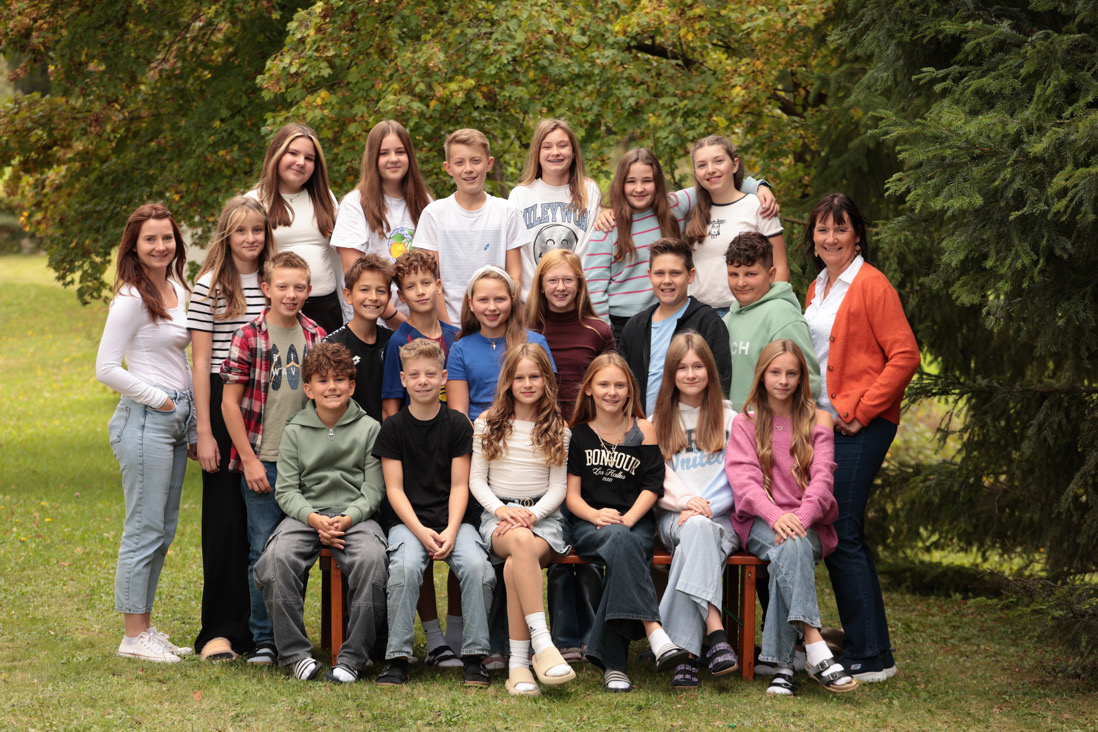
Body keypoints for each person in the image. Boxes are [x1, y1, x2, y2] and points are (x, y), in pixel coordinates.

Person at [801, 193, 920, 683]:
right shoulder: (817, 286)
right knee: (840, 532)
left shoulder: (871, 284)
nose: (831, 238)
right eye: (823, 229)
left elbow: (905, 355)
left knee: (843, 529)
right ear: (813, 237)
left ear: (857, 236)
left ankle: (871, 657)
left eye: (841, 229)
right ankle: (867, 645)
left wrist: (860, 411)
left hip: (861, 425)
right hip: (826, 427)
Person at [726, 340, 857, 696]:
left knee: (791, 547)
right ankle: (814, 644)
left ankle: (783, 667)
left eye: (791, 373)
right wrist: (774, 515)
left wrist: (800, 518)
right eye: (775, 372)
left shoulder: (818, 419)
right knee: (790, 545)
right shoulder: (745, 422)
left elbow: (823, 479)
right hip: (759, 522)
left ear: (801, 378)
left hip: (809, 522)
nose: (783, 381)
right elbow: (745, 483)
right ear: (762, 375)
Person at [95, 202, 196, 662]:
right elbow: (106, 368)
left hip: (175, 418)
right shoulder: (131, 297)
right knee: (144, 527)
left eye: (167, 237)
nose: (160, 246)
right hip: (145, 420)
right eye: (150, 239)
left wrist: (189, 418)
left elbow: (182, 357)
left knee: (163, 529)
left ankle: (145, 628)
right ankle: (133, 636)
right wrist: (161, 400)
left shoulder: (177, 288)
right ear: (134, 246)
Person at [253, 342, 388, 682]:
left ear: (352, 386)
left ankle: (353, 658)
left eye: (340, 380)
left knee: (373, 559)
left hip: (356, 518)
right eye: (323, 380)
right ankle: (295, 654)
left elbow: (374, 490)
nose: (332, 387)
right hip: (306, 517)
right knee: (275, 559)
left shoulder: (370, 428)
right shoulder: (295, 429)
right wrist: (314, 519)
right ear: (309, 388)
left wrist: (348, 518)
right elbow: (287, 490)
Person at [220, 251, 326, 666]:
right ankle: (265, 639)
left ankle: (290, 636)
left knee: (296, 552)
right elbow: (230, 404)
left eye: (299, 287)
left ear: (309, 290)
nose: (291, 294)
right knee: (262, 551)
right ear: (266, 289)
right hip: (263, 461)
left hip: (305, 466)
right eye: (282, 286)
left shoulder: (316, 335)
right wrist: (248, 460)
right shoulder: (249, 336)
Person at [373, 339, 495, 687]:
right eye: (414, 375)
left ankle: (474, 656)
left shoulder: (457, 424)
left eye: (430, 374)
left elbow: (460, 486)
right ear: (403, 379)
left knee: (477, 567)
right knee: (405, 567)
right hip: (408, 522)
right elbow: (394, 490)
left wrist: (452, 530)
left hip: (455, 519)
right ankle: (397, 658)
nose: (422, 381)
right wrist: (420, 531)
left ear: (443, 378)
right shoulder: (393, 427)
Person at [186, 196, 276, 661]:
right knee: (225, 522)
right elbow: (201, 362)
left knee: (264, 523)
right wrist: (203, 430)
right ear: (226, 234)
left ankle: (265, 632)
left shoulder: (274, 280)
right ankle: (220, 632)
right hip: (225, 406)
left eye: (257, 230)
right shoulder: (210, 286)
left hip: (269, 404)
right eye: (241, 230)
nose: (250, 238)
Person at [565, 353, 688, 692]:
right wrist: (594, 515)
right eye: (604, 384)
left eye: (620, 385)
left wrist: (629, 518)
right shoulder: (578, 436)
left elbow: (652, 484)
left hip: (635, 523)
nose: (612, 391)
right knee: (623, 543)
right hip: (591, 525)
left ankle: (615, 667)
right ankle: (655, 632)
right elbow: (572, 496)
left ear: (630, 390)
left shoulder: (643, 430)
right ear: (589, 389)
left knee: (624, 546)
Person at [468, 344, 577, 695]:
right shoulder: (487, 423)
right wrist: (502, 511)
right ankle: (542, 643)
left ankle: (518, 666)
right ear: (508, 382)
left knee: (517, 562)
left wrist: (532, 514)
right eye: (519, 378)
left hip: (543, 519)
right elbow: (476, 481)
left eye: (535, 377)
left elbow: (558, 487)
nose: (527, 384)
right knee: (519, 540)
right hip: (498, 517)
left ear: (547, 381)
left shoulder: (558, 428)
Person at [585, 148, 777, 342]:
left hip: (670, 317)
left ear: (658, 182)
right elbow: (594, 289)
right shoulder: (607, 228)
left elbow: (718, 182)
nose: (639, 188)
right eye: (631, 181)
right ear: (620, 184)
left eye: (647, 181)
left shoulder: (673, 207)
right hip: (622, 325)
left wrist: (759, 187)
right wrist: (606, 336)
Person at [524, 250, 613, 662]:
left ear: (580, 284)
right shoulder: (528, 330)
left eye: (568, 280)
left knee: (587, 533)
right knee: (556, 533)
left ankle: (594, 634)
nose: (561, 288)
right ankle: (563, 635)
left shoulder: (598, 330)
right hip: (541, 442)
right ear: (541, 286)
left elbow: (612, 380)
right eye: (552, 280)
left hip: (589, 441)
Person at [650, 333, 740, 688]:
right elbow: (657, 475)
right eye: (682, 367)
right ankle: (715, 634)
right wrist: (687, 501)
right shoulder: (658, 420)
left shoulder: (731, 419)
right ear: (671, 373)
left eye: (698, 366)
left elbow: (737, 476)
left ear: (710, 370)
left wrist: (704, 508)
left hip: (721, 517)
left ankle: (684, 654)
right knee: (696, 529)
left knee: (699, 532)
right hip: (674, 515)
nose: (690, 374)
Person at [412, 128, 525, 324]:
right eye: (459, 162)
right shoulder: (434, 214)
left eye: (476, 161)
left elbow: (514, 276)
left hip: (497, 322)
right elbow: (430, 280)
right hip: (450, 324)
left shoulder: (507, 212)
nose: (468, 169)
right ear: (448, 168)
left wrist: (501, 322)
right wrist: (449, 329)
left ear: (489, 163)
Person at [330, 119, 431, 327]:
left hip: (419, 322)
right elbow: (353, 272)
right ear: (372, 158)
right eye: (384, 153)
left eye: (400, 152)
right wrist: (397, 320)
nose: (393, 159)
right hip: (373, 324)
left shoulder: (425, 202)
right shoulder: (355, 204)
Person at [248, 123, 343, 333]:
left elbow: (338, 256)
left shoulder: (325, 197)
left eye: (309, 158)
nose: (301, 162)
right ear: (276, 154)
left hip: (325, 307)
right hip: (276, 307)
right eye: (293, 153)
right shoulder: (254, 201)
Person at [618, 238, 731, 414]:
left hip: (691, 425)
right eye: (659, 273)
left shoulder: (707, 322)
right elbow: (622, 382)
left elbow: (720, 382)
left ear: (690, 275)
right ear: (650, 275)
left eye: (675, 273)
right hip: (642, 426)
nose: (667, 280)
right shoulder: (635, 326)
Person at [683, 135, 787, 312]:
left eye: (718, 161)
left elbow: (780, 266)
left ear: (735, 165)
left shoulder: (758, 206)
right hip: (699, 313)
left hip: (747, 309)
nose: (711, 170)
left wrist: (773, 310)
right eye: (702, 165)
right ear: (695, 174)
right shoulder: (690, 212)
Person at [723, 231, 819, 410]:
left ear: (771, 274)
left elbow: (809, 381)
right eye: (734, 274)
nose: (741, 283)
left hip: (769, 424)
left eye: (750, 274)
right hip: (731, 424)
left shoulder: (784, 316)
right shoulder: (728, 319)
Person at [509, 118, 601, 301]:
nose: (555, 152)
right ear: (537, 153)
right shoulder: (520, 195)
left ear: (573, 152)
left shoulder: (589, 191)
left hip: (577, 301)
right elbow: (519, 257)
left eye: (563, 145)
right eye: (547, 146)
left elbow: (591, 249)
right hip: (532, 303)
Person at [446, 266, 555, 421]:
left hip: (528, 428)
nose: (492, 307)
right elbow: (459, 414)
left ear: (512, 300)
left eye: (500, 299)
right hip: (479, 430)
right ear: (471, 303)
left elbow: (547, 401)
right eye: (483, 300)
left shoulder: (535, 342)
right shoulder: (460, 349)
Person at [380, 250, 460, 418]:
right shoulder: (398, 342)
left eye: (426, 283)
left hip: (453, 430)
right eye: (410, 286)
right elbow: (389, 410)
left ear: (438, 286)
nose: (420, 291)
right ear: (401, 296)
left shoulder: (456, 337)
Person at [324, 253, 395, 422]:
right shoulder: (333, 346)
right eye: (364, 290)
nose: (373, 297)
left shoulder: (393, 341)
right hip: (349, 434)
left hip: (388, 434)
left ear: (389, 298)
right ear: (348, 295)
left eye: (380, 291)